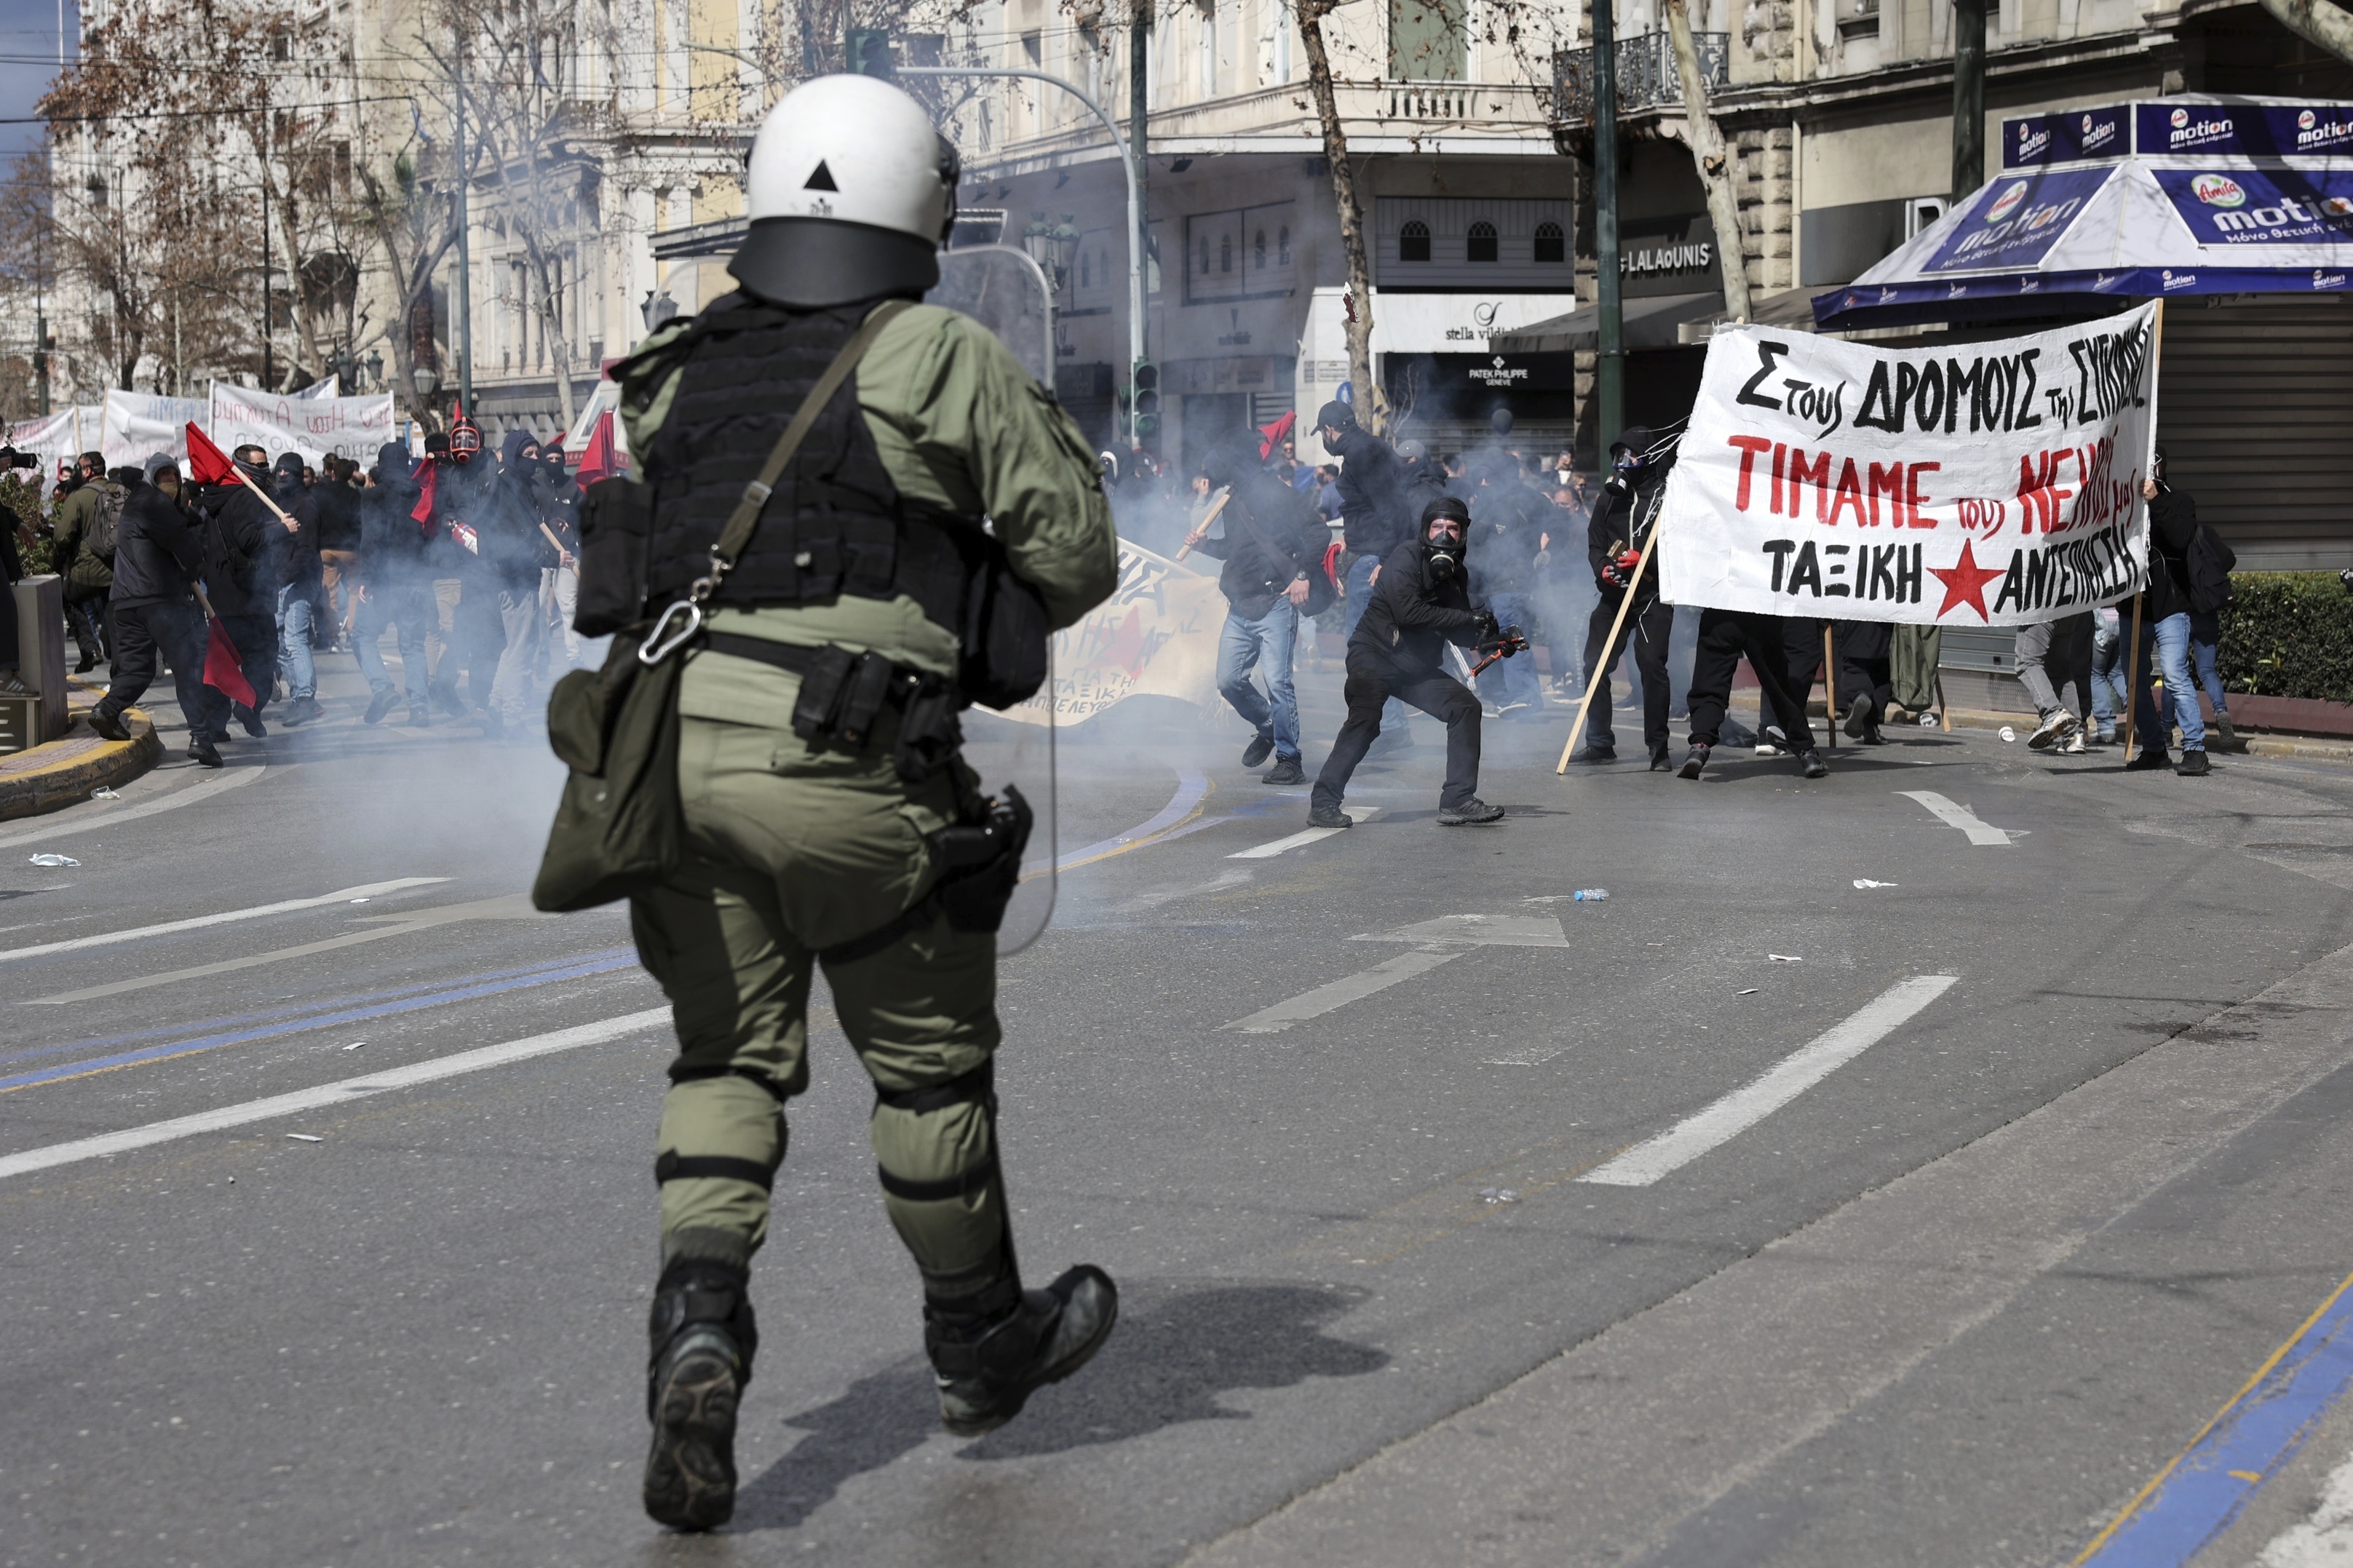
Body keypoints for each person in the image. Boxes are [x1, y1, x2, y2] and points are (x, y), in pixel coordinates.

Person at [608, 73, 1120, 1531]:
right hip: (844, 758)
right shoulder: (937, 353)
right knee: (926, 1076)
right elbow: (1074, 560)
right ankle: (978, 1345)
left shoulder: (674, 364)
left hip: (665, 759)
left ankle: (698, 1340)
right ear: (921, 207)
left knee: (722, 1065)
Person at [1309, 495, 1504, 828]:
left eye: (1452, 528)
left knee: (1465, 707)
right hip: (1375, 654)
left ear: (1463, 535)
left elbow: (1460, 635)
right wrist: (1468, 618)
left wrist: (1496, 639)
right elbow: (1409, 613)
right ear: (1425, 530)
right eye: (1437, 526)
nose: (1444, 534)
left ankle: (1458, 800)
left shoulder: (1457, 575)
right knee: (1366, 722)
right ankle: (1323, 803)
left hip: (1414, 667)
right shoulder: (1405, 557)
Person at [1183, 429, 1330, 785]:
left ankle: (1289, 759)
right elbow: (1235, 550)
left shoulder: (1277, 493)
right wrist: (1204, 546)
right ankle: (1267, 727)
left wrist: (1304, 575)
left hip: (1275, 602)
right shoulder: (1232, 499)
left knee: (1278, 683)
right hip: (1239, 605)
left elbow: (1318, 532)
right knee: (1229, 681)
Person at [87, 455, 218, 766]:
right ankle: (201, 737)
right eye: (164, 475)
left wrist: (186, 517)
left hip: (126, 601)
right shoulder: (154, 503)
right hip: (159, 600)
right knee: (188, 668)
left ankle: (106, 710)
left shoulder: (140, 502)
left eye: (174, 474)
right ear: (151, 478)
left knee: (138, 669)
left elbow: (169, 528)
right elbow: (185, 546)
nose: (170, 481)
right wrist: (194, 561)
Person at [1578, 427, 1675, 768]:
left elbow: (1682, 548)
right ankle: (1599, 743)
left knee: (1651, 663)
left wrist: (1644, 559)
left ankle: (1658, 747)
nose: (1623, 462)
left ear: (1646, 458)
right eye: (1618, 455)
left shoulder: (1668, 497)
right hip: (1614, 594)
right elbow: (1595, 543)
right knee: (1594, 664)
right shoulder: (1609, 498)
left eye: (1630, 455)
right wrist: (1603, 567)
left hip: (1653, 594)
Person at [2130, 444, 2210, 775]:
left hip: (2171, 605)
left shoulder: (2179, 502)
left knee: (2175, 675)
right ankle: (2152, 746)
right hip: (2133, 605)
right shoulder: (2127, 504)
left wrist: (2155, 500)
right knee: (2133, 678)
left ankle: (2194, 748)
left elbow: (2180, 537)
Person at [197, 447, 287, 738]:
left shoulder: (213, 497)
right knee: (264, 655)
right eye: (257, 466)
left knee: (221, 662)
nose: (263, 471)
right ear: (241, 468)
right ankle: (250, 708)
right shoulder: (246, 496)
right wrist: (282, 529)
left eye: (266, 465)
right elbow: (250, 539)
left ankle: (216, 724)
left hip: (223, 595)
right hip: (250, 596)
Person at [1679, 608, 1828, 781]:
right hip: (1760, 611)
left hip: (1722, 608)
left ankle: (1700, 746)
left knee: (1710, 680)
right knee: (1778, 684)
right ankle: (1806, 752)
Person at [352, 440, 435, 726]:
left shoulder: (374, 496)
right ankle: (420, 707)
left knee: (362, 635)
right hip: (416, 579)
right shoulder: (421, 493)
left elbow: (373, 540)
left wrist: (367, 579)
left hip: (386, 581)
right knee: (412, 645)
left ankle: (383, 688)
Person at [483, 431, 555, 739]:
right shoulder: (509, 487)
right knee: (521, 651)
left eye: (537, 454)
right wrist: (552, 558)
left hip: (515, 577)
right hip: (517, 579)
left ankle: (495, 711)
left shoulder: (515, 485)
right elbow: (517, 539)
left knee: (512, 649)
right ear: (513, 456)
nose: (536, 460)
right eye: (529, 455)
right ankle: (512, 721)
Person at [1464, 449, 1546, 718]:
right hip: (1494, 586)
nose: (1483, 484)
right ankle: (1506, 697)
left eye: (1489, 478)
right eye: (1480, 479)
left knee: (1513, 639)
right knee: (1496, 642)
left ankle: (1526, 698)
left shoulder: (1511, 503)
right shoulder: (1492, 504)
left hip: (1510, 585)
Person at [269, 453, 326, 726]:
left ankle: (306, 698)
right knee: (278, 641)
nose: (281, 476)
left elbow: (306, 549)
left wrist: (284, 578)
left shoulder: (307, 505)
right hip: (283, 578)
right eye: (278, 470)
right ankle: (297, 696)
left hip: (301, 579)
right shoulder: (279, 502)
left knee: (294, 638)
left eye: (287, 472)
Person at [50, 451, 114, 671]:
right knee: (112, 609)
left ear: (87, 471)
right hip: (121, 571)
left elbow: (61, 537)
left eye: (79, 468)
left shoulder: (79, 497)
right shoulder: (123, 492)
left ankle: (89, 649)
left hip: (88, 572)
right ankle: (114, 651)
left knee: (67, 596)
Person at [2016, 610, 2094, 753]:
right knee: (2060, 671)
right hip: (2069, 608)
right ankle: (2075, 735)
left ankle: (2052, 712)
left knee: (2027, 662)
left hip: (2041, 607)